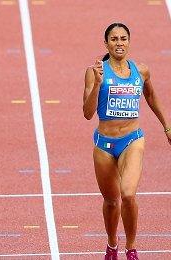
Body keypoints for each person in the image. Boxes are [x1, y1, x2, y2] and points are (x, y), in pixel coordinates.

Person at [83, 23, 171, 260]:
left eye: (123, 38)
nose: (119, 43)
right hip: (104, 144)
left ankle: (131, 248)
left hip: (132, 139)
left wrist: (167, 125)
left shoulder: (140, 71)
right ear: (106, 44)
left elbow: (151, 95)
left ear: (129, 42)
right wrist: (98, 85)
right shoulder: (95, 71)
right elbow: (87, 113)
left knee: (128, 194)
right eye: (114, 39)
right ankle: (112, 245)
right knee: (111, 201)